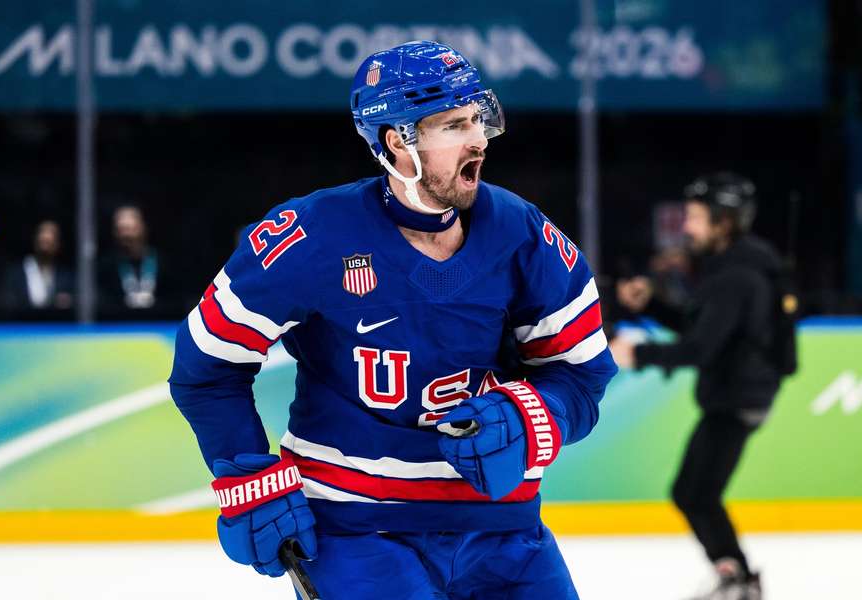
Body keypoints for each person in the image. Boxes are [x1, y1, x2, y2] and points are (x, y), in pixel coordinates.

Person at [169, 41, 617, 599]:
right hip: (357, 533)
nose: (478, 137)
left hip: (505, 531)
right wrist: (248, 477)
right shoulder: (309, 236)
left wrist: (535, 418)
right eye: (454, 124)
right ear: (397, 140)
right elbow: (206, 367)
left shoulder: (526, 236)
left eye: (478, 119)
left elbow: (582, 377)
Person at [609, 172, 793, 600]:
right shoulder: (734, 266)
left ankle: (740, 579)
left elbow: (700, 348)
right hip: (734, 396)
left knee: (696, 493)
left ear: (722, 222)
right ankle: (736, 575)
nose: (687, 227)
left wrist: (638, 354)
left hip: (736, 400)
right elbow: (702, 328)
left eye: (694, 217)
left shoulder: (738, 275)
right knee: (695, 492)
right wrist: (650, 304)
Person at [99, 205, 164, 314]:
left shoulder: (162, 263)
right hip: (119, 325)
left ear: (143, 228)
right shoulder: (106, 266)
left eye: (131, 229)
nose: (126, 235)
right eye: (121, 230)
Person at [4, 220, 73, 311]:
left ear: (58, 245)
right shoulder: (17, 273)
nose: (46, 248)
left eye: (50, 243)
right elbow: (8, 303)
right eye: (43, 242)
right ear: (35, 241)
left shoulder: (65, 276)